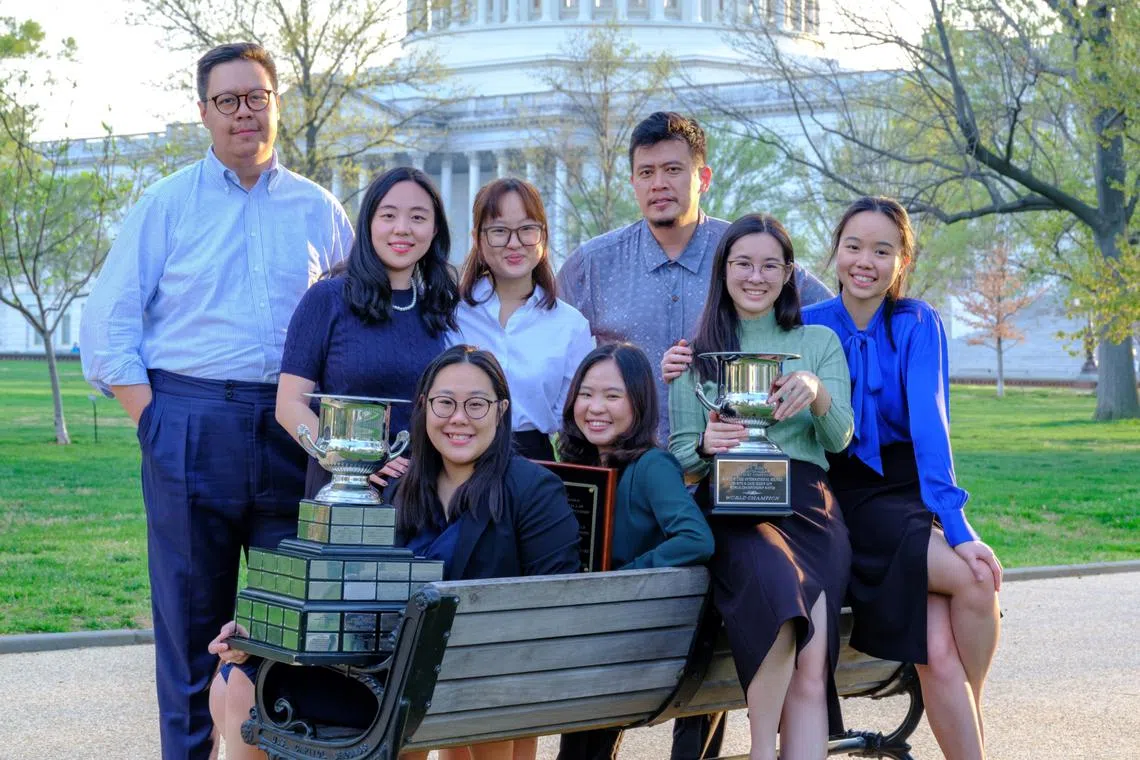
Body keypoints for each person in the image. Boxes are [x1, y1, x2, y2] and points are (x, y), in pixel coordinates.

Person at [78, 42, 353, 760]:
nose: (243, 112)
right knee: (191, 628)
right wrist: (155, 420)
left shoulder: (319, 209)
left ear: (277, 105)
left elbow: (352, 320)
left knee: (281, 632)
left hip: (291, 434)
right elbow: (108, 324)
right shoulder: (167, 204)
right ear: (202, 111)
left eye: (256, 97)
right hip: (188, 423)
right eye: (227, 100)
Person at [557, 109, 832, 760]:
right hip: (632, 485)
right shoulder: (593, 266)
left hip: (728, 486)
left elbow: (824, 316)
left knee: (706, 645)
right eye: (646, 173)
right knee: (613, 652)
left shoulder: (744, 254)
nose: (660, 184)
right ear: (632, 181)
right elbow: (561, 354)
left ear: (701, 176)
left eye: (673, 171)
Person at [209, 345, 582, 760]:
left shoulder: (532, 491)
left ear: (501, 410)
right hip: (380, 670)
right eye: (445, 403)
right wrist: (259, 634)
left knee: (245, 687)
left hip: (467, 681)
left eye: (477, 404)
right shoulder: (397, 488)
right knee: (238, 673)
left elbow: (556, 603)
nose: (459, 417)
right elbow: (348, 592)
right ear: (423, 407)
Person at [801, 197, 1002, 760]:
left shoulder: (918, 322)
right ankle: (979, 715)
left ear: (902, 262)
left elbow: (932, 427)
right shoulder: (810, 326)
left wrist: (956, 524)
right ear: (836, 252)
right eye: (854, 246)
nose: (865, 260)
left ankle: (974, 704)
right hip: (846, 496)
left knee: (940, 653)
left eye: (882, 250)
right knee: (974, 580)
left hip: (910, 491)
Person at [667, 214, 854, 760]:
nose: (756, 276)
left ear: (789, 272)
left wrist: (815, 390)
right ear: (723, 270)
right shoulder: (694, 352)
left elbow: (840, 437)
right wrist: (708, 443)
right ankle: (760, 752)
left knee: (813, 663)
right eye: (743, 263)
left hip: (811, 509)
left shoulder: (817, 342)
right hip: (734, 505)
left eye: (770, 264)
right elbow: (683, 456)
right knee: (776, 586)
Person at [556, 342, 714, 759]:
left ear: (638, 402)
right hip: (582, 635)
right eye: (586, 394)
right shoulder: (574, 465)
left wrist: (630, 574)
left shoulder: (653, 466)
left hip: (627, 639)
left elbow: (696, 539)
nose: (595, 407)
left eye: (612, 395)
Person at [276, 166, 459, 499]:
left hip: (423, 490)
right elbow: (289, 404)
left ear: (434, 230)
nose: (402, 229)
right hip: (345, 489)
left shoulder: (437, 309)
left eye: (418, 218)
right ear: (369, 223)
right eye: (388, 215)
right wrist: (354, 460)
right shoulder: (327, 299)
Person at [454, 177, 594, 460]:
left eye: (527, 229)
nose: (514, 243)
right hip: (458, 459)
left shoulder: (570, 325)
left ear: (543, 235)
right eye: (499, 231)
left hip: (534, 464)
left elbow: (571, 416)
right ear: (477, 239)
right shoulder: (452, 315)